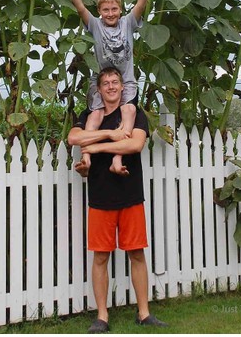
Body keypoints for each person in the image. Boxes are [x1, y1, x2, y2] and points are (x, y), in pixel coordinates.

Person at [67, 67, 167, 333]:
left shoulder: (134, 114)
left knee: (137, 253)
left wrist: (96, 147)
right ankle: (102, 317)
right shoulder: (90, 115)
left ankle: (144, 314)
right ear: (99, 90)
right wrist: (110, 135)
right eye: (106, 83)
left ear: (123, 88)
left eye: (115, 82)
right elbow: (73, 138)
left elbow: (134, 145)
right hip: (100, 196)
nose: (111, 87)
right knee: (100, 257)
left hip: (130, 194)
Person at [59, 0, 155, 176]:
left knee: (129, 110)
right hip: (101, 81)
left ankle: (117, 158)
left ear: (120, 9)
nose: (110, 13)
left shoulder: (128, 22)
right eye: (105, 10)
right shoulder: (94, 25)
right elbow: (80, 7)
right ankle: (86, 158)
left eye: (114, 9)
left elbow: (140, 5)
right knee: (95, 115)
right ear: (99, 11)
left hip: (126, 80)